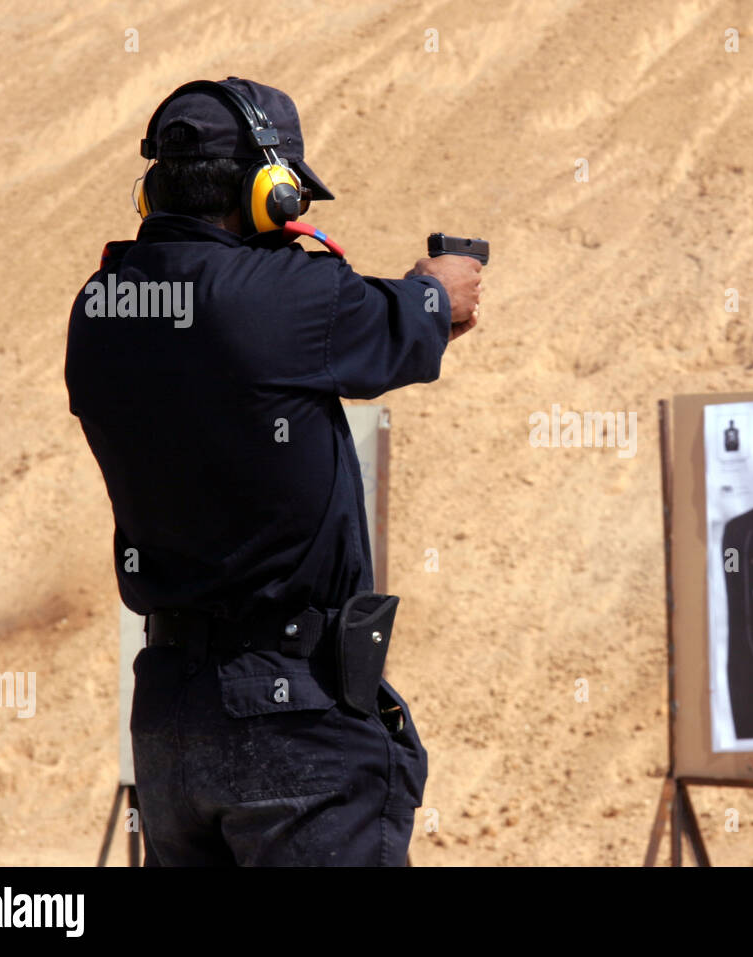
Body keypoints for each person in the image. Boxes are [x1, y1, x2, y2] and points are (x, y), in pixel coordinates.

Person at [64, 77, 482, 865]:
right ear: (271, 193)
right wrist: (440, 289)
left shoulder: (100, 308)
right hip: (292, 716)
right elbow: (410, 318)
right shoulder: (286, 295)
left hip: (170, 717)